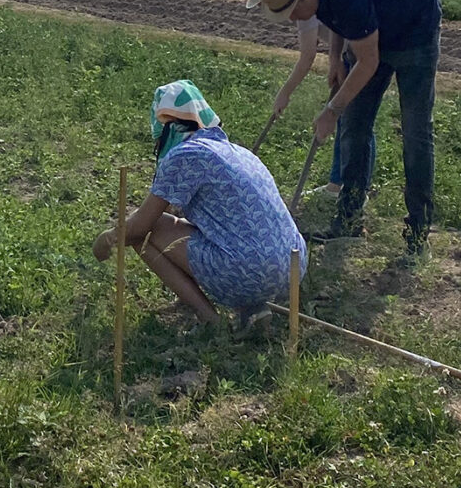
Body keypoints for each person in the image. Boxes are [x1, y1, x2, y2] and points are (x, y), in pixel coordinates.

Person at [257, 0, 442, 255]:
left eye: (292, 13)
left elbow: (368, 61)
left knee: (415, 130)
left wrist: (331, 110)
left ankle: (418, 231)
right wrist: (335, 57)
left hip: (414, 29)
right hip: (371, 27)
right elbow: (339, 19)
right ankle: (349, 220)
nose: (292, 21)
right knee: (354, 123)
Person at [92, 79, 307, 327]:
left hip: (247, 269)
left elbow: (141, 226)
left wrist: (108, 239)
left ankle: (208, 319)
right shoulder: (237, 152)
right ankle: (252, 307)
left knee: (147, 231)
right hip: (292, 267)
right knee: (219, 235)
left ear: (167, 126)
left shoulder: (187, 155)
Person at [239, 0, 376, 197]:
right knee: (348, 120)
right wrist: (335, 58)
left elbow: (308, 56)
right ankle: (338, 183)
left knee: (355, 121)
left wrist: (285, 92)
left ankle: (351, 188)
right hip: (345, 48)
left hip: (358, 47)